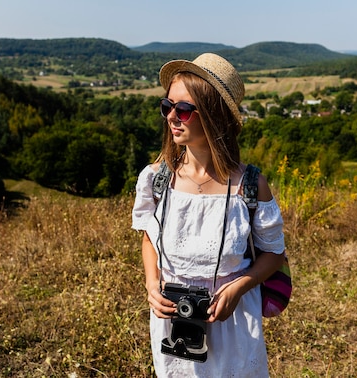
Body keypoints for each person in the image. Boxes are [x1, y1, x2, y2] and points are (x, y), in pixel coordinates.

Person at [131, 52, 286, 377]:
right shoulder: (157, 179)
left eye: (184, 110)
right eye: (167, 106)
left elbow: (274, 254)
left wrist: (239, 287)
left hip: (232, 326)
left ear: (214, 115)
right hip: (176, 325)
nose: (172, 116)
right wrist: (151, 282)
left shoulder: (249, 185)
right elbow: (149, 236)